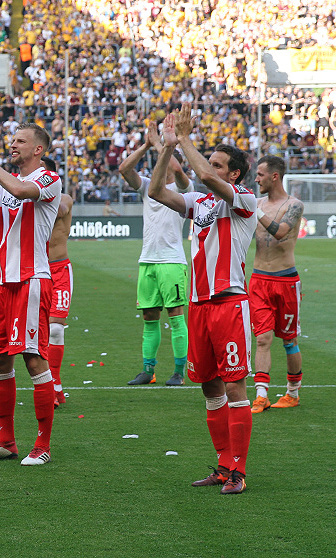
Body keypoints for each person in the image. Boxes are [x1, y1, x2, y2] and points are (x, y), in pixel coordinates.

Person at [147, 105, 256, 495]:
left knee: (234, 389)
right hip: (199, 306)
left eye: (218, 163)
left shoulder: (243, 199)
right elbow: (156, 191)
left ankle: (239, 472)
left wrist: (184, 139)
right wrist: (166, 148)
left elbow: (206, 176)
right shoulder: (201, 203)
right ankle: (224, 465)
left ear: (234, 174)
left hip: (230, 304)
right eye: (210, 161)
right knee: (210, 388)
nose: (209, 167)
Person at [0, 123, 60, 466]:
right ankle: (6, 441)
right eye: (12, 140)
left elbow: (20, 190)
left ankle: (42, 445)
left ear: (38, 149)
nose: (13, 145)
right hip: (4, 282)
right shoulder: (4, 181)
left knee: (33, 359)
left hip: (32, 280)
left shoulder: (48, 179)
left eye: (20, 141)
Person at [119, 122, 193, 386]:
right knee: (149, 318)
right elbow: (124, 169)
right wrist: (146, 145)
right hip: (148, 261)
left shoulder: (183, 188)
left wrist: (163, 145)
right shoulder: (148, 186)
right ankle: (148, 371)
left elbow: (176, 168)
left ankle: (179, 372)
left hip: (171, 261)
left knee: (175, 317)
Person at [250, 155, 304, 413]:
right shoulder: (256, 203)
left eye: (260, 174)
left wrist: (255, 211)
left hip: (286, 281)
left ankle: (292, 392)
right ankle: (261, 395)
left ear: (274, 176)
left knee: (289, 340)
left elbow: (281, 232)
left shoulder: (294, 205)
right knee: (262, 338)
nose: (256, 179)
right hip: (259, 279)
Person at [43, 157, 74, 407]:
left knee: (55, 329)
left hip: (60, 269)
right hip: (37, 271)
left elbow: (60, 209)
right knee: (39, 331)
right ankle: (52, 385)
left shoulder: (64, 198)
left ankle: (54, 384)